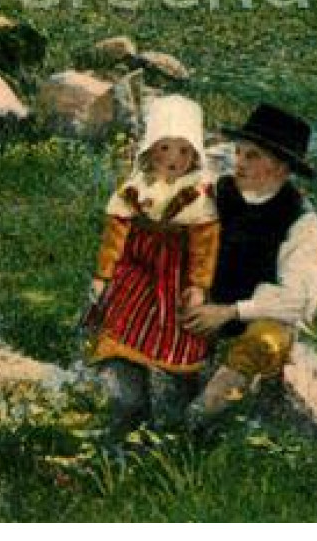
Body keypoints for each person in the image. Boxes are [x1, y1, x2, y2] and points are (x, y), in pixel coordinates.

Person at [85, 95, 220, 429]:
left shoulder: (197, 198)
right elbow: (115, 235)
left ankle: (179, 410)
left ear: (194, 156)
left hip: (175, 277)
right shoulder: (135, 189)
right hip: (138, 270)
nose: (173, 159)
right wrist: (103, 275)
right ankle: (130, 398)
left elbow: (205, 246)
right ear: (149, 151)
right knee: (124, 324)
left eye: (183, 151)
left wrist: (199, 286)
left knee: (179, 340)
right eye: (165, 149)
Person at [183, 103, 317, 417]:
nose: (239, 163)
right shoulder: (218, 194)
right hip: (206, 303)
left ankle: (198, 421)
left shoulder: (301, 220)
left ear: (281, 168)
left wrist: (230, 312)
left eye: (252, 156)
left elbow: (299, 300)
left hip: (256, 318)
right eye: (239, 153)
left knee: (264, 341)